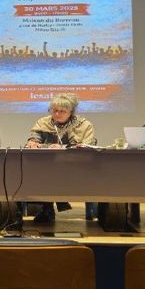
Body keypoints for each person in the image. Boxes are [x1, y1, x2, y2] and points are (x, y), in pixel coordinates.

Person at [25, 93, 96, 223]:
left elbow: (88, 147)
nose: (57, 114)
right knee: (35, 173)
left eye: (62, 111)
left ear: (71, 112)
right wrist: (33, 142)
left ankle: (50, 208)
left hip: (77, 167)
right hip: (47, 167)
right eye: (54, 110)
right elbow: (34, 138)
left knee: (53, 174)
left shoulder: (84, 125)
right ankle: (48, 207)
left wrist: (64, 147)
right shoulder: (43, 122)